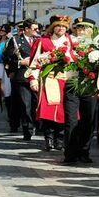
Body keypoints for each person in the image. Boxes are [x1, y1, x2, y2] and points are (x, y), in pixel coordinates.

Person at [31, 17, 72, 151]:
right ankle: (48, 138)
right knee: (48, 111)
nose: (61, 29)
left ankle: (59, 138)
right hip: (48, 80)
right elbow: (34, 62)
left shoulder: (71, 41)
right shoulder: (43, 42)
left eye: (64, 27)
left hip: (65, 81)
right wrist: (33, 79)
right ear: (53, 27)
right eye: (58, 26)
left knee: (63, 111)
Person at [61, 20, 97, 166]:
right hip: (72, 83)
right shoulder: (69, 43)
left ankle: (84, 151)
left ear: (91, 30)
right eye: (78, 28)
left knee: (88, 120)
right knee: (71, 120)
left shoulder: (96, 44)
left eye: (84, 28)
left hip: (89, 85)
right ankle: (70, 153)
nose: (81, 30)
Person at [4, 20, 39, 139]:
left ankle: (36, 125)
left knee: (36, 103)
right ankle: (27, 129)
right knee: (25, 105)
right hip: (23, 76)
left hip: (38, 76)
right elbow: (7, 59)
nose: (37, 31)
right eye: (35, 29)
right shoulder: (16, 40)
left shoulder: (39, 40)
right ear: (27, 29)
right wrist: (20, 62)